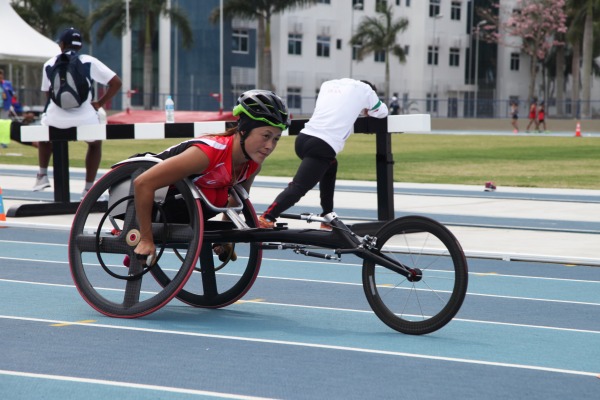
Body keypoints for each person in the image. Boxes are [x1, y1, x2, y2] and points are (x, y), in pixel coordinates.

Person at [131, 89, 289, 263]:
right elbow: (142, 183)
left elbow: (236, 202)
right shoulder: (208, 154)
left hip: (175, 204)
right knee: (212, 196)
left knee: (218, 196)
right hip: (134, 193)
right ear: (244, 130)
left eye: (276, 139)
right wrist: (146, 239)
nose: (269, 146)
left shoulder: (253, 165)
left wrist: (225, 238)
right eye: (266, 136)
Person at [258, 78, 388, 229]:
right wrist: (368, 110)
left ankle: (327, 215)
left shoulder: (328, 84)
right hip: (322, 146)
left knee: (331, 166)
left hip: (303, 139)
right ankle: (267, 217)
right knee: (299, 187)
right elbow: (382, 112)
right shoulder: (367, 90)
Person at [34, 27, 122, 196]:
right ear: (80, 46)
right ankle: (89, 188)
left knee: (44, 135)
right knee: (95, 144)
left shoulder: (49, 64)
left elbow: (48, 93)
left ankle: (42, 175)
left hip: (55, 119)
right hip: (85, 118)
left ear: (61, 44)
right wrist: (99, 103)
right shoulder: (89, 61)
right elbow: (116, 82)